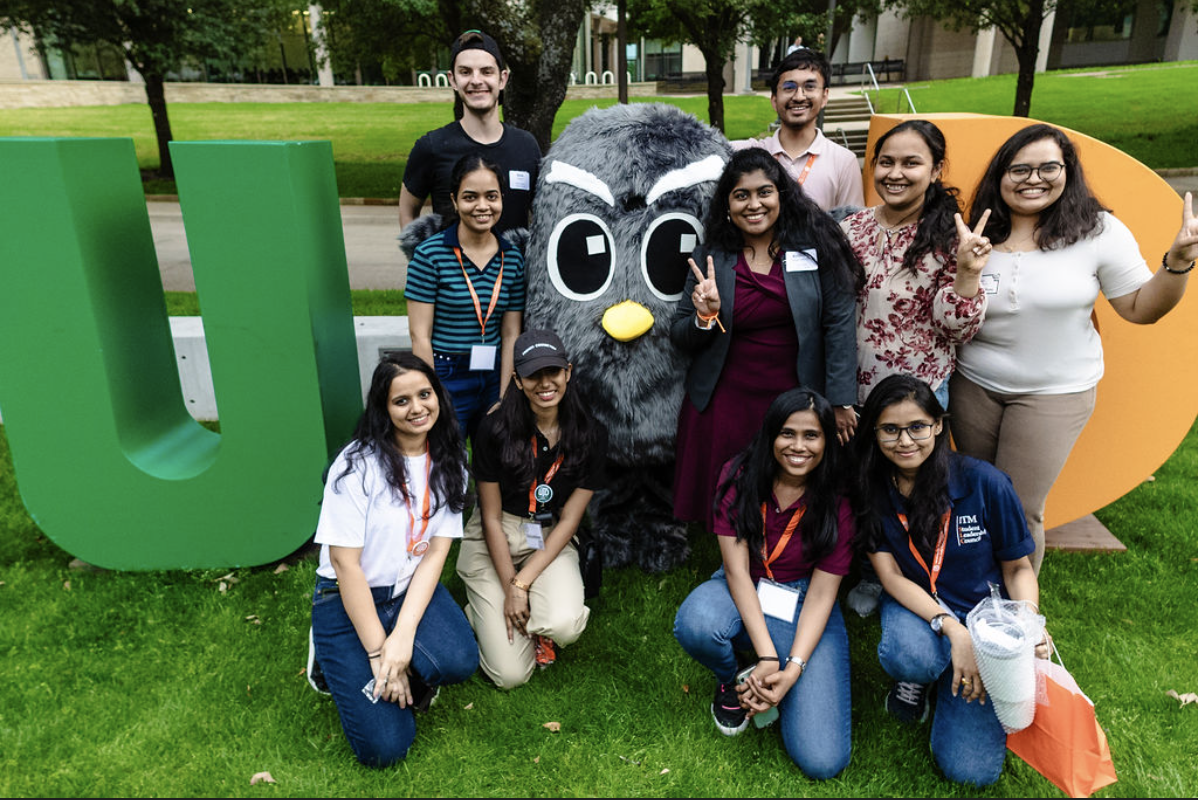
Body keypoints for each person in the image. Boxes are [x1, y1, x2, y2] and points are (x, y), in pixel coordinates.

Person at [951, 123, 1198, 572]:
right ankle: (975, 594)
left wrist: (1177, 264)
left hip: (1054, 393)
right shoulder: (978, 229)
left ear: (1069, 171)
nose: (1033, 179)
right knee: (975, 498)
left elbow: (1142, 308)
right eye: (1019, 169)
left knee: (1022, 511)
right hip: (975, 386)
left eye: (1049, 167)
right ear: (999, 175)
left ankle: (1018, 619)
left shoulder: (1098, 231)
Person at [851, 374, 1049, 786]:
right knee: (910, 655)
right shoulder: (869, 489)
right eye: (890, 429)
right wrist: (957, 634)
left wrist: (1023, 626)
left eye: (917, 427)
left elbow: (1018, 568)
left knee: (970, 773)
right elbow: (888, 575)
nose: (905, 441)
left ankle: (956, 676)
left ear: (939, 425)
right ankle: (922, 676)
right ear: (874, 431)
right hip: (918, 606)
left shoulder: (985, 482)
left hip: (986, 616)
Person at [671, 147, 862, 532]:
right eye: (741, 195)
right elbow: (680, 335)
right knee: (730, 490)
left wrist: (841, 399)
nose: (753, 204)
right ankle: (731, 550)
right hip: (726, 393)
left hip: (795, 389)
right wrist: (705, 316)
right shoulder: (710, 257)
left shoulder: (815, 247)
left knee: (792, 481)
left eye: (764, 192)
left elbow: (839, 322)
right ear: (727, 204)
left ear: (781, 196)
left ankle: (785, 548)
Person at [673, 388, 854, 779]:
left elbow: (824, 593)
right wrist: (771, 657)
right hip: (745, 584)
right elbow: (736, 571)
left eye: (812, 435)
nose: (798, 446)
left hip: (806, 599)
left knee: (822, 761)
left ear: (826, 440)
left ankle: (775, 681)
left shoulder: (838, 496)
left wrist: (792, 671)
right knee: (698, 623)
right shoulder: (740, 475)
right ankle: (732, 679)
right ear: (771, 433)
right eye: (788, 433)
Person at [308, 354, 479, 768]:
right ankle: (327, 660)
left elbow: (436, 551)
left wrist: (401, 640)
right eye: (401, 401)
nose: (417, 408)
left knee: (459, 661)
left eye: (425, 394)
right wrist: (377, 654)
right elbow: (346, 566)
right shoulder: (355, 466)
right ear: (383, 409)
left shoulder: (451, 460)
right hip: (349, 598)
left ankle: (405, 666)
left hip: (407, 589)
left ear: (439, 397)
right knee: (386, 749)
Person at [455, 329, 607, 688]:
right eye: (533, 375)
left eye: (553, 371)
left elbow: (571, 518)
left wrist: (520, 584)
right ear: (517, 381)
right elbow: (490, 517)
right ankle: (481, 610)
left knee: (565, 624)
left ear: (568, 372)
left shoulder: (592, 433)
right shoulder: (493, 429)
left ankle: (519, 609)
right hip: (496, 532)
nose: (545, 383)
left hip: (548, 533)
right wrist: (511, 586)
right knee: (510, 676)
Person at [841, 119, 990, 409]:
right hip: (848, 398)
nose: (895, 174)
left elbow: (956, 332)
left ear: (935, 170)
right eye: (886, 162)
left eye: (911, 163)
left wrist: (968, 272)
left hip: (917, 400)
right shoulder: (850, 228)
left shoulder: (952, 238)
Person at [405, 153, 525, 439]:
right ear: (455, 201)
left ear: (501, 200)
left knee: (495, 460)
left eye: (491, 196)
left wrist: (506, 393)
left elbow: (510, 333)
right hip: (446, 372)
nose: (482, 206)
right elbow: (419, 336)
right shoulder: (430, 255)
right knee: (447, 458)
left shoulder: (513, 257)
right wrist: (430, 393)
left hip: (495, 371)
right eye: (470, 197)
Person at [399, 30, 541, 236]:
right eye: (465, 72)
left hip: (514, 268)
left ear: (502, 79)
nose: (476, 80)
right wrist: (422, 263)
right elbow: (407, 211)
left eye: (486, 71)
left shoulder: (527, 146)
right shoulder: (431, 147)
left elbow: (541, 214)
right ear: (453, 80)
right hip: (452, 268)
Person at [732, 49, 864, 212]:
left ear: (824, 96)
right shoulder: (748, 153)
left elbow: (853, 229)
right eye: (789, 87)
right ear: (774, 99)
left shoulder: (843, 162)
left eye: (809, 87)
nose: (799, 96)